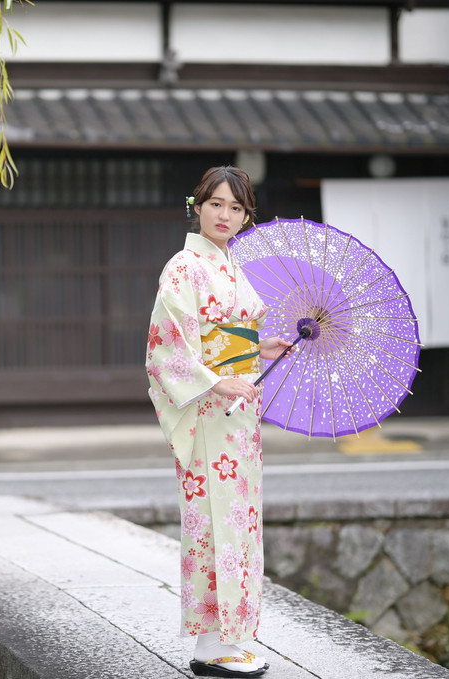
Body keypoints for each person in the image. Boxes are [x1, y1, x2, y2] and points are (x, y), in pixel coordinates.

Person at [145, 166, 291, 678]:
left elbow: (225, 337)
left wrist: (259, 346)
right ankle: (211, 642)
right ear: (198, 205)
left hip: (237, 418)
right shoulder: (184, 266)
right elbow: (168, 347)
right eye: (216, 204)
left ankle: (232, 636)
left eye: (236, 207)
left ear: (246, 215)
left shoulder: (230, 265)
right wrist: (216, 381)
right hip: (209, 412)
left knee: (239, 522)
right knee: (212, 523)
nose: (225, 215)